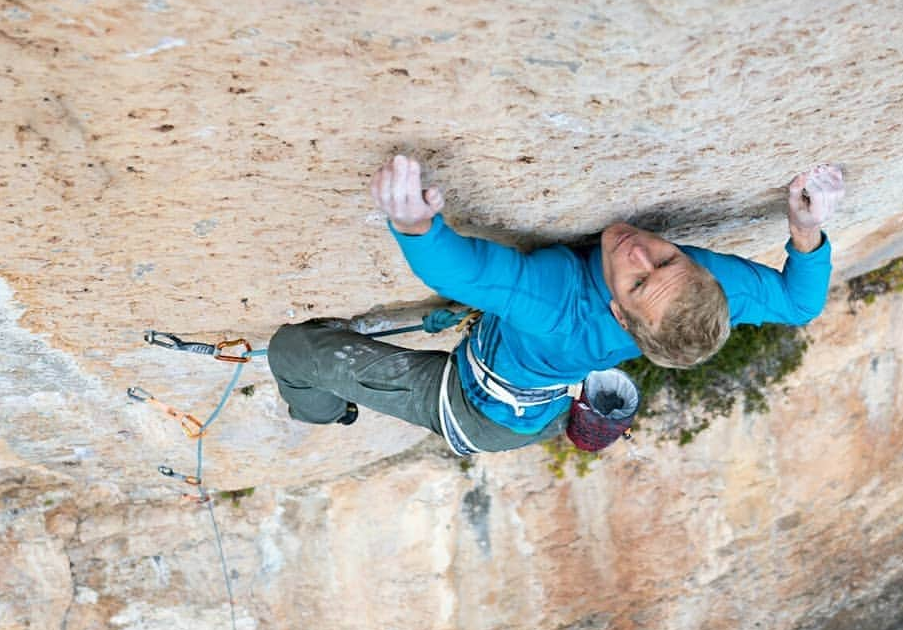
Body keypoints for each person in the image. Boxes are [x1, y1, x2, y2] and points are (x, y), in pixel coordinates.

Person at [266, 156, 845, 456]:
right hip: (539, 393)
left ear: (620, 315)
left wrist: (416, 224)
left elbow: (465, 271)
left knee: (292, 350)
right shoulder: (709, 288)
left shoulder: (558, 303)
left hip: (478, 413)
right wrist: (806, 227)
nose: (638, 252)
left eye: (637, 283)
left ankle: (324, 411)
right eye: (668, 259)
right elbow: (799, 304)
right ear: (698, 268)